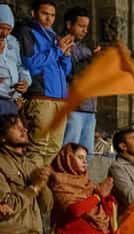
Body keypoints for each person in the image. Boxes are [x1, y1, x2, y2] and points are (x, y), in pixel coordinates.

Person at [17, 0, 73, 166]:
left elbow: (66, 71)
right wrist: (57, 51)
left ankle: (40, 185)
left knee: (54, 147)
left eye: (52, 15)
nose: (49, 19)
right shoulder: (27, 32)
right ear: (34, 13)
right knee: (38, 146)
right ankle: (30, 186)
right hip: (41, 96)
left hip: (59, 99)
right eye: (44, 14)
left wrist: (66, 55)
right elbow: (30, 63)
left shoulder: (55, 36)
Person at [62, 7, 98, 157]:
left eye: (86, 27)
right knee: (70, 151)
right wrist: (91, 61)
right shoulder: (63, 44)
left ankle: (82, 181)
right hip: (74, 107)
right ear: (69, 25)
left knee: (86, 154)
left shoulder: (86, 50)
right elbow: (70, 73)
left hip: (90, 107)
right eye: (81, 26)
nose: (85, 31)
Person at [0, 5, 31, 115]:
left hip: (12, 101)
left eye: (8, 29)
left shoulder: (13, 41)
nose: (4, 33)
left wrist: (26, 82)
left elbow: (20, 66)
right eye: (1, 27)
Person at [107, 128, 134, 216]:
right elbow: (131, 199)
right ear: (123, 146)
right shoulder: (117, 168)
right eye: (133, 138)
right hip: (132, 218)